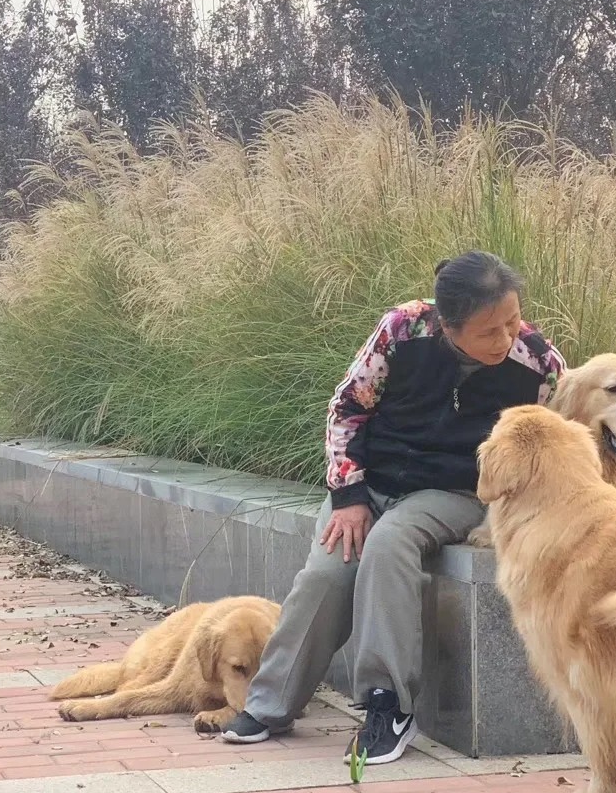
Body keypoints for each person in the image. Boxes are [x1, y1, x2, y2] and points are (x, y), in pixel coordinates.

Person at [221, 250, 565, 766]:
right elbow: (346, 409)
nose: (507, 338)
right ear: (448, 326)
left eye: (513, 321)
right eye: (489, 330)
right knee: (326, 574)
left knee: (389, 542)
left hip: (454, 492)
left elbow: (557, 438)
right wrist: (350, 496)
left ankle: (388, 705)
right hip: (372, 481)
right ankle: (269, 705)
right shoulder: (402, 330)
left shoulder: (537, 364)